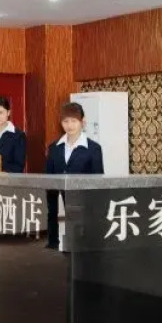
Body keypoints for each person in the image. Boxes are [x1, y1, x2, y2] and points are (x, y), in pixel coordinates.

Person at [45, 102, 104, 249]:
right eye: (65, 121)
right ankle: (53, 241)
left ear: (82, 122)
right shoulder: (54, 147)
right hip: (58, 189)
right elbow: (48, 178)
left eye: (73, 121)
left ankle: (83, 244)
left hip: (83, 197)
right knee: (51, 209)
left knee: (80, 229)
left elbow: (98, 180)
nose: (69, 125)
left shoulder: (93, 148)